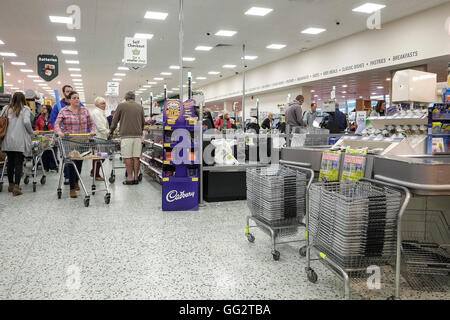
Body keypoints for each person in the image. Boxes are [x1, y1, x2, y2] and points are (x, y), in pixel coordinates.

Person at [54, 91, 95, 198]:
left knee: (79, 162)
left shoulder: (84, 110)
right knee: (72, 163)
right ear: (69, 100)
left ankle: (76, 180)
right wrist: (60, 133)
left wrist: (92, 131)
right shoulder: (64, 111)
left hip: (82, 140)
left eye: (78, 98)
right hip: (70, 141)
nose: (77, 99)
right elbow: (57, 124)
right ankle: (72, 188)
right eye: (74, 98)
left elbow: (91, 124)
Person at [50, 85, 84, 185]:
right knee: (67, 157)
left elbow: (86, 119)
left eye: (70, 91)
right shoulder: (58, 106)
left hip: (78, 136)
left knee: (78, 157)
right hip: (65, 136)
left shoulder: (80, 105)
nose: (69, 92)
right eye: (67, 91)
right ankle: (67, 177)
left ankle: (76, 178)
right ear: (64, 93)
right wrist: (59, 131)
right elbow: (53, 121)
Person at [0, 92, 33, 196]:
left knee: (10, 162)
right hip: (19, 140)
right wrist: (31, 133)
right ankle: (17, 187)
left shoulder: (6, 108)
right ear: (23, 99)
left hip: (8, 140)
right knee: (19, 163)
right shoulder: (25, 109)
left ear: (12, 98)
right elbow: (27, 122)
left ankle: (10, 184)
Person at [109, 91, 145, 185]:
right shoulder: (140, 107)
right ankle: (136, 178)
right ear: (134, 98)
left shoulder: (121, 106)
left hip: (126, 136)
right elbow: (143, 122)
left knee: (127, 157)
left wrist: (111, 131)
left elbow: (115, 120)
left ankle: (130, 178)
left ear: (125, 98)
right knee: (136, 157)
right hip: (137, 136)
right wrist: (139, 131)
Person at [90, 97, 110, 181]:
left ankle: (93, 171)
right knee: (100, 156)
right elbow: (100, 126)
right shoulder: (96, 112)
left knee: (101, 156)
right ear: (97, 105)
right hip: (98, 137)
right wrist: (108, 132)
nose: (104, 105)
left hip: (102, 137)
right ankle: (96, 174)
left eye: (104, 103)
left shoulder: (101, 112)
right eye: (102, 103)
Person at [34, 104, 58, 172]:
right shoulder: (40, 117)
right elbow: (37, 125)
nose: (43, 109)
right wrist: (37, 130)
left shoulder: (53, 117)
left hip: (51, 137)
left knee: (52, 152)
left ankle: (53, 167)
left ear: (48, 109)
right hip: (43, 136)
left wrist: (53, 129)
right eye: (42, 108)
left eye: (44, 108)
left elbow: (56, 124)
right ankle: (45, 167)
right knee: (44, 153)